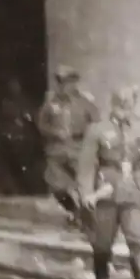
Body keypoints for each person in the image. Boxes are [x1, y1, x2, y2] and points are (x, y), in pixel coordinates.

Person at [77, 86, 140, 279]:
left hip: (133, 189)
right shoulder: (97, 129)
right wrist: (86, 192)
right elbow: (87, 164)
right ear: (113, 105)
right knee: (103, 241)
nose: (125, 109)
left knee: (137, 239)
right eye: (121, 105)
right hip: (106, 191)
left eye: (129, 105)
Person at [38, 65, 99, 227]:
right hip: (57, 151)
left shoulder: (85, 102)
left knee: (84, 186)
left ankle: (88, 220)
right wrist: (54, 132)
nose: (62, 86)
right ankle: (74, 211)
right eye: (60, 82)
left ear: (74, 83)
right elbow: (41, 125)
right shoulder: (51, 102)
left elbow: (97, 124)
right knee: (56, 186)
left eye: (66, 82)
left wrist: (88, 139)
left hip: (79, 149)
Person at [0, 78, 40, 195]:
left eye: (16, 86)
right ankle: (11, 189)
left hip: (23, 139)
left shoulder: (24, 102)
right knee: (10, 165)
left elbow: (31, 117)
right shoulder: (6, 103)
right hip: (10, 138)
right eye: (12, 87)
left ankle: (25, 188)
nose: (14, 89)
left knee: (24, 165)